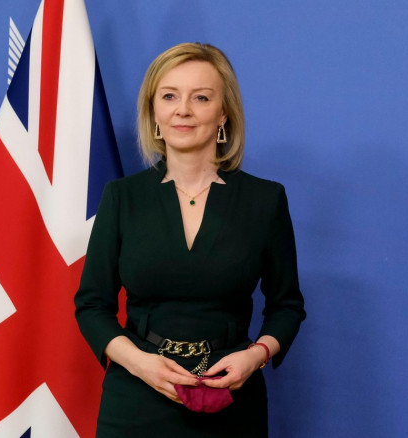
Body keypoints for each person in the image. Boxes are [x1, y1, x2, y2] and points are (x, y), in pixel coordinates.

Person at [74, 42, 306, 437]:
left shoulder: (264, 200)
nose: (183, 109)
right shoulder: (122, 197)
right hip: (136, 397)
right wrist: (138, 362)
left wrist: (255, 357)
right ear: (154, 114)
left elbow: (287, 306)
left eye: (201, 97)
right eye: (169, 96)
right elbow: (91, 306)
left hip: (231, 399)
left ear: (223, 115)